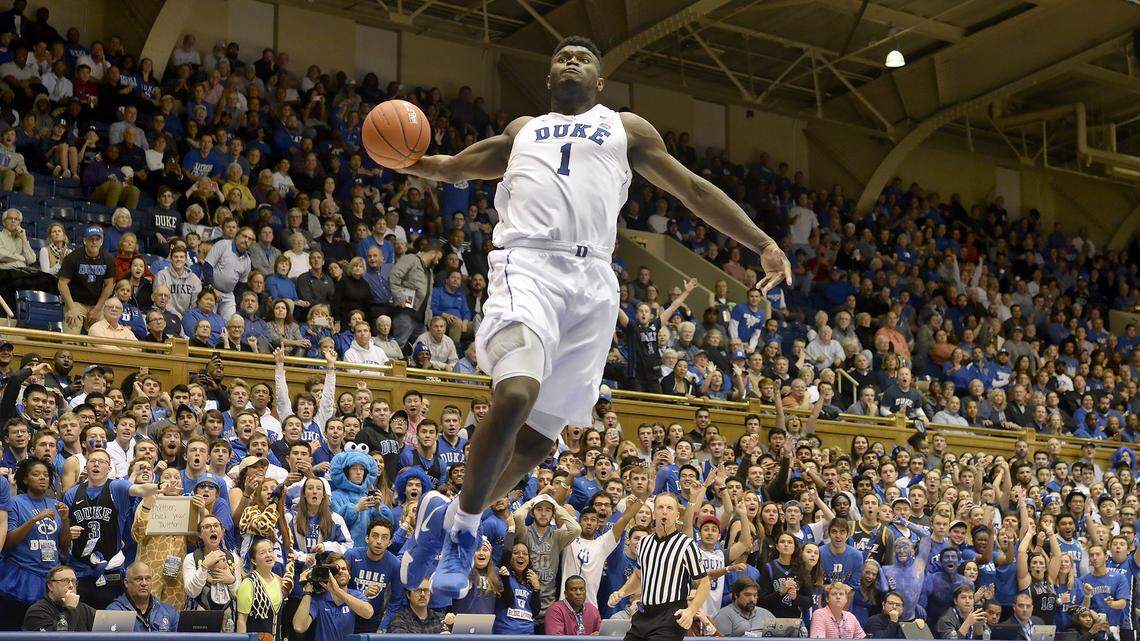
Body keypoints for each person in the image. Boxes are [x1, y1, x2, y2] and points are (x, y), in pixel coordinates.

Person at [400, 35, 791, 600]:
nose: (570, 59)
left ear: (602, 83)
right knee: (514, 395)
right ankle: (461, 530)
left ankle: (447, 511)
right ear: (548, 77)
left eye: (583, 57)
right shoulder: (522, 130)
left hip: (593, 284)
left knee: (536, 446)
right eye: (559, 55)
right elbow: (455, 166)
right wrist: (409, 158)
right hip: (527, 264)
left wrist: (760, 243)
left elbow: (692, 190)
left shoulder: (626, 128)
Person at [608, 493, 710, 641]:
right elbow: (639, 576)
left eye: (669, 508)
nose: (664, 511)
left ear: (676, 515)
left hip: (670, 615)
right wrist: (622, 592)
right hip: (644, 613)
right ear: (654, 514)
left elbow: (704, 583)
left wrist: (691, 610)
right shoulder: (644, 543)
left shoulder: (686, 545)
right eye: (660, 507)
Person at [291, 552, 373, 641]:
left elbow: (368, 613)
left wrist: (337, 591)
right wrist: (308, 590)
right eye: (336, 569)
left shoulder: (356, 595)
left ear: (349, 575)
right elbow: (299, 627)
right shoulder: (319, 598)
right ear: (329, 575)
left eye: (344, 569)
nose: (341, 571)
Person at [57, 226, 115, 335]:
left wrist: (97, 308)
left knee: (104, 337)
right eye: (91, 239)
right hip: (76, 301)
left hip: (97, 302)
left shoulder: (108, 259)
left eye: (97, 239)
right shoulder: (73, 258)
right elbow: (62, 283)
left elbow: (109, 285)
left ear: (101, 241)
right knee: (71, 334)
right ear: (85, 241)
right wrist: (71, 308)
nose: (94, 242)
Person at [106, 561, 180, 631]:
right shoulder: (114, 612)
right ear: (126, 583)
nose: (144, 583)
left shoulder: (169, 612)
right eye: (138, 579)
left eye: (147, 579)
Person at [22, 566, 95, 632]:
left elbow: (103, 627)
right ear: (50, 586)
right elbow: (56, 637)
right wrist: (70, 608)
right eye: (65, 581)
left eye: (73, 581)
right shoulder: (37, 611)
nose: (71, 585)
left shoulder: (84, 609)